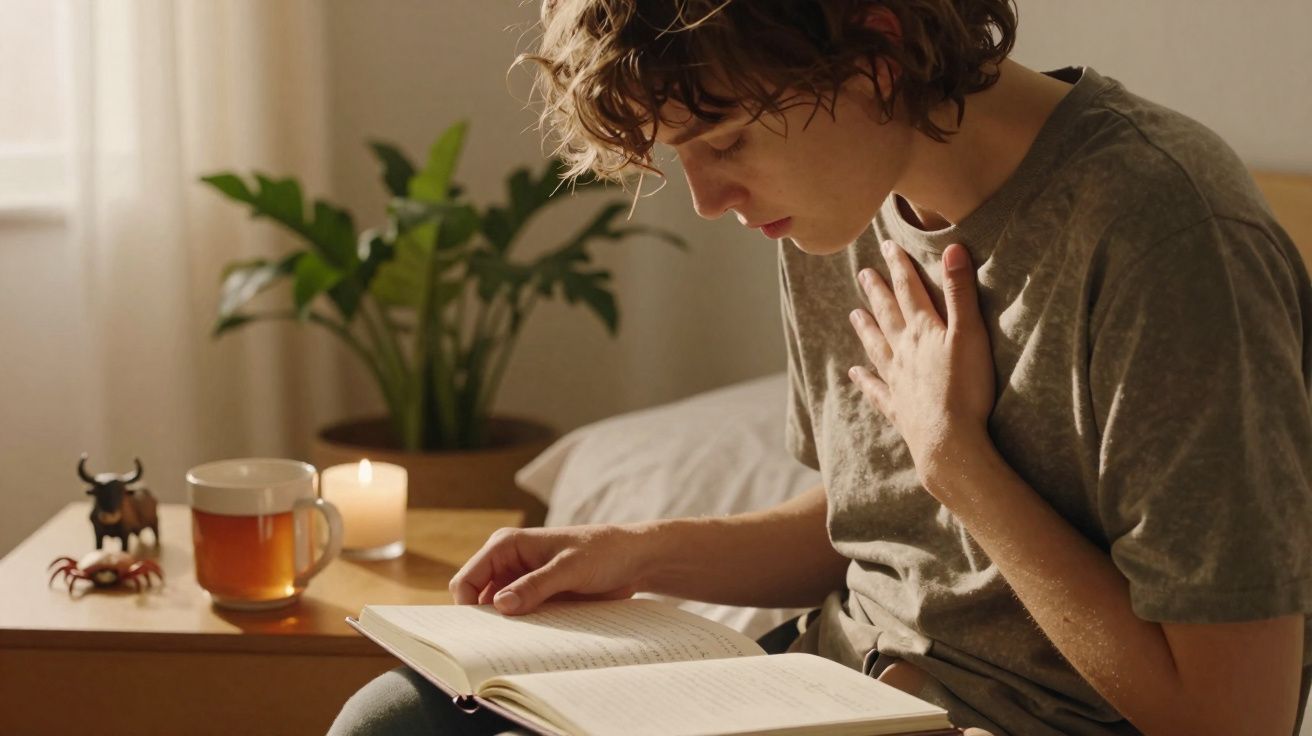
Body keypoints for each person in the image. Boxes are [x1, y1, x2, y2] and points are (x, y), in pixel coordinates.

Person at [330, 1, 1312, 734]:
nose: (709, 198)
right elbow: (872, 525)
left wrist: (957, 461)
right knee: (396, 718)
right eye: (684, 154)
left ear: (876, 55)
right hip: (825, 686)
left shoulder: (1166, 237)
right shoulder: (833, 202)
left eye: (725, 141)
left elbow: (1235, 718)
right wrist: (636, 548)